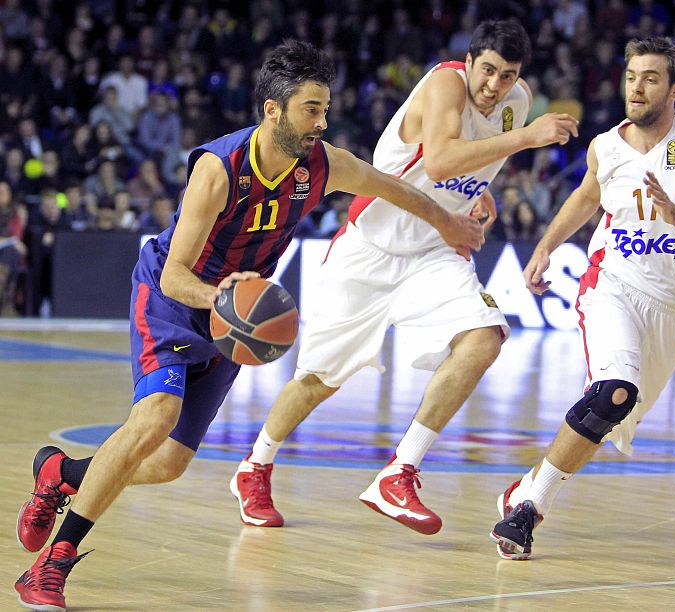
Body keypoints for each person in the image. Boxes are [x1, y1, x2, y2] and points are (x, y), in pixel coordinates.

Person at [13, 40, 484, 612]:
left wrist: (449, 223)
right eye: (311, 109)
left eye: (325, 109)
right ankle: (49, 567)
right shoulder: (219, 169)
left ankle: (62, 473)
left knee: (167, 463)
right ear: (272, 109)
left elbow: (394, 187)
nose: (322, 121)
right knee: (154, 417)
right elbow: (176, 275)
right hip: (173, 297)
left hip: (233, 314)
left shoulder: (324, 164)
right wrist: (221, 299)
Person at [230, 19, 578, 535]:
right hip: (371, 247)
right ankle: (254, 466)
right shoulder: (444, 84)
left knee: (485, 337)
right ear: (470, 61)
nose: (494, 85)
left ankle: (400, 470)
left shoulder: (516, 101)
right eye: (487, 70)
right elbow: (438, 160)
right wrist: (527, 139)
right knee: (318, 380)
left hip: (436, 249)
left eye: (507, 76)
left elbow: (463, 170)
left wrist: (476, 195)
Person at [489, 36, 675, 560]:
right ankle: (530, 511)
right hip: (611, 287)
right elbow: (586, 195)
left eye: (650, 78)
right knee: (614, 390)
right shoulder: (605, 145)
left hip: (671, 309)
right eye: (631, 77)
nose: (637, 87)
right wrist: (545, 247)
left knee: (606, 421)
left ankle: (526, 488)